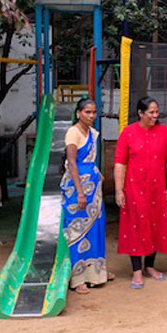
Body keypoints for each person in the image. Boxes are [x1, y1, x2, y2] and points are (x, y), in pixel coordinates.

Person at [114, 96, 167, 290]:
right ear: (140, 113)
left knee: (155, 224)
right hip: (134, 188)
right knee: (135, 226)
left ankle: (150, 266)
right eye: (151, 112)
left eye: (157, 112)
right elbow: (119, 162)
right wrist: (119, 190)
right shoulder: (128, 132)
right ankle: (136, 271)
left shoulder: (163, 131)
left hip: (157, 189)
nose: (155, 116)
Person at [61, 98, 111, 294]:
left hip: (93, 189)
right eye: (87, 112)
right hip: (77, 188)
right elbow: (72, 162)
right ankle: (78, 279)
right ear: (78, 113)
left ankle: (96, 272)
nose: (91, 115)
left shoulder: (92, 132)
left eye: (93, 112)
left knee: (95, 228)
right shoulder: (73, 132)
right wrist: (80, 192)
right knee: (76, 231)